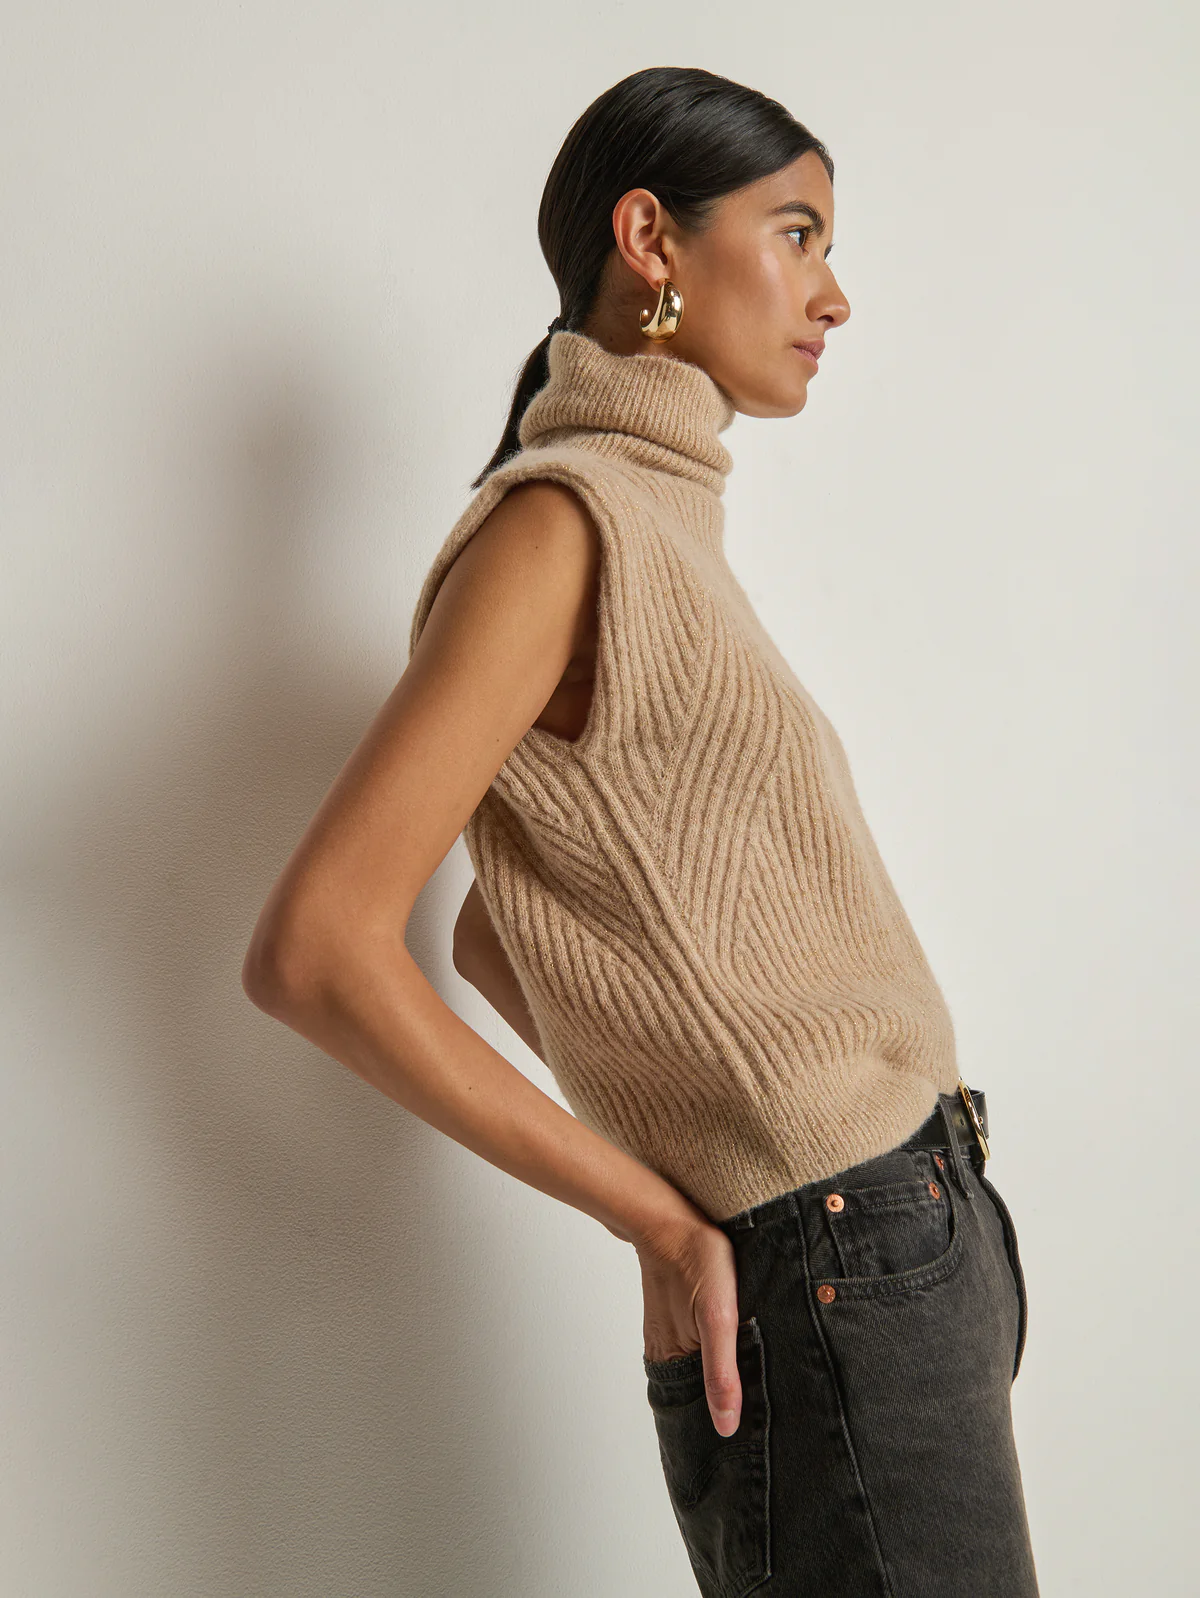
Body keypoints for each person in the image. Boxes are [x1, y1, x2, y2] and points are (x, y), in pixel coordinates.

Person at [242, 65, 1039, 1598]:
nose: (834, 293)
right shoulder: (564, 523)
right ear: (651, 238)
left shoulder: (658, 517)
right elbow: (319, 947)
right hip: (837, 1250)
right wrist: (663, 1215)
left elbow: (501, 926)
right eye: (796, 234)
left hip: (901, 1234)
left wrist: (699, 1157)